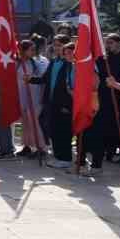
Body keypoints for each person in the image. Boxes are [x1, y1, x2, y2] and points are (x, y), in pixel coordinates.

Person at [39, 39, 75, 170]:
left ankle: (65, 158)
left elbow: (71, 87)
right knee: (53, 130)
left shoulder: (70, 64)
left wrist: (67, 104)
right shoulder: (54, 62)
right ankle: (58, 156)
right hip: (51, 102)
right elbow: (45, 78)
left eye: (60, 45)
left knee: (63, 131)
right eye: (55, 45)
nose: (57, 48)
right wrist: (31, 79)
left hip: (64, 103)